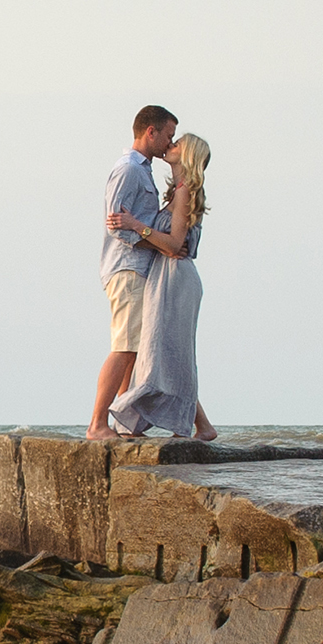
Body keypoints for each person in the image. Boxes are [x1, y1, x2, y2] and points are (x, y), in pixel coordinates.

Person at [105, 134, 215, 441]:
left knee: (170, 353)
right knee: (165, 352)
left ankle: (199, 426)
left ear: (188, 155)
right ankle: (189, 425)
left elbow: (173, 244)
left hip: (175, 278)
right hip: (167, 276)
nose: (170, 145)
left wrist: (133, 224)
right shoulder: (179, 191)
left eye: (177, 143)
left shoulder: (184, 193)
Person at [88, 105, 176, 439]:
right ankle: (97, 424)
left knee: (135, 348)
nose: (170, 143)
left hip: (138, 269)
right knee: (125, 347)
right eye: (167, 135)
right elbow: (117, 226)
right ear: (150, 131)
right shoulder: (129, 170)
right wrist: (156, 241)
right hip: (127, 268)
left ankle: (123, 422)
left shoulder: (144, 171)